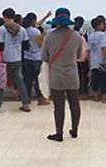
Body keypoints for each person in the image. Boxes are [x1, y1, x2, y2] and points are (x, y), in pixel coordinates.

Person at [41, 8, 82, 142]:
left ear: (56, 21)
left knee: (58, 106)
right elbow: (79, 55)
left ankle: (59, 133)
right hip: (72, 75)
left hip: (56, 76)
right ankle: (74, 130)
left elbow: (44, 57)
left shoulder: (49, 36)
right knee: (74, 104)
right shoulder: (76, 36)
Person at [0, 8, 31, 114]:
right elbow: (26, 45)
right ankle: (25, 104)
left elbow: (0, 46)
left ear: (4, 17)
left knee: (1, 84)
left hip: (6, 59)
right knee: (20, 82)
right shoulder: (22, 30)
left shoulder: (2, 29)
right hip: (18, 59)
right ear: (14, 17)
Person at [23, 12, 49, 105]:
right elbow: (40, 44)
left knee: (28, 79)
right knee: (38, 79)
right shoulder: (36, 31)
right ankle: (40, 99)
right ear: (33, 20)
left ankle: (27, 98)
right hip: (36, 57)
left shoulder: (24, 31)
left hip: (26, 57)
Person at [87, 18, 106, 103]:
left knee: (95, 79)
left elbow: (89, 50)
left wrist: (89, 61)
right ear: (99, 25)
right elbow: (103, 48)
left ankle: (96, 98)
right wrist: (105, 59)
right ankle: (104, 98)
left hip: (93, 61)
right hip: (101, 60)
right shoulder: (102, 35)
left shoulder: (90, 36)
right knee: (103, 80)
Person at [74, 17, 89, 99]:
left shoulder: (72, 33)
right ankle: (85, 92)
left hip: (74, 57)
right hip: (84, 56)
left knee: (77, 76)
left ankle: (78, 93)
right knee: (85, 76)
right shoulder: (85, 32)